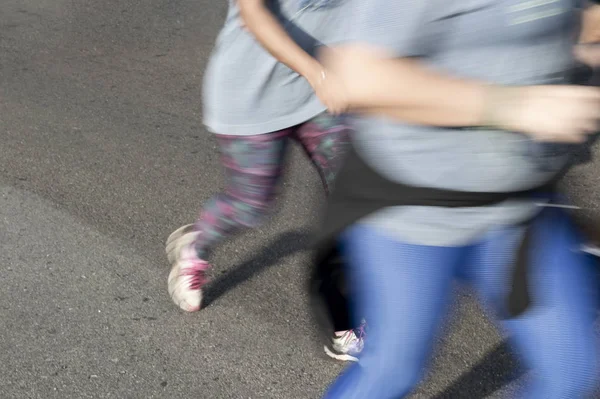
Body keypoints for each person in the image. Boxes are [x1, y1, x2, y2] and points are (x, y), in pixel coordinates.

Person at [311, 0, 600, 397]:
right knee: (393, 372)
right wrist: (512, 106)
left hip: (522, 208)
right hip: (413, 209)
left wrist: (581, 33)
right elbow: (357, 75)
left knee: (571, 371)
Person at [165, 0, 363, 362]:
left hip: (323, 91)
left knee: (353, 192)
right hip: (253, 92)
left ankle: (346, 317)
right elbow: (252, 13)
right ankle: (196, 245)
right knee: (252, 204)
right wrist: (318, 74)